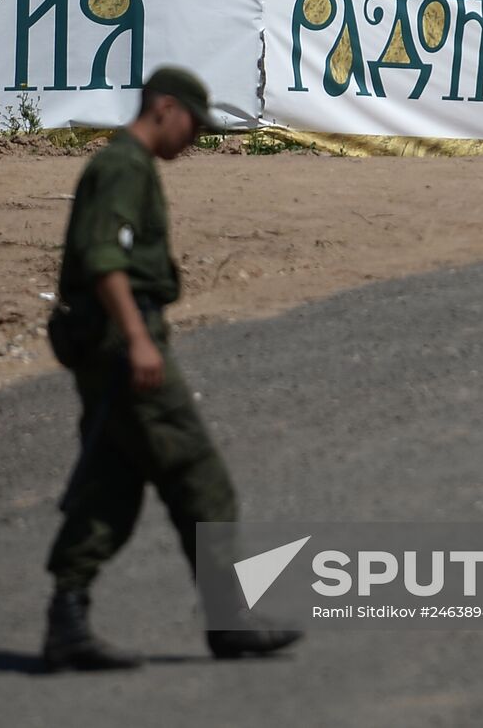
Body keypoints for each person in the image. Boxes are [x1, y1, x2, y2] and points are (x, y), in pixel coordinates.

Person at [42, 66, 302, 670]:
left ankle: (67, 618)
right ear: (164, 108)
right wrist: (138, 340)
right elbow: (104, 257)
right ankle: (228, 622)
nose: (193, 139)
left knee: (111, 485)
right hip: (120, 344)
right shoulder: (123, 167)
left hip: (111, 343)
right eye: (192, 123)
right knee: (201, 478)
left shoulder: (128, 165)